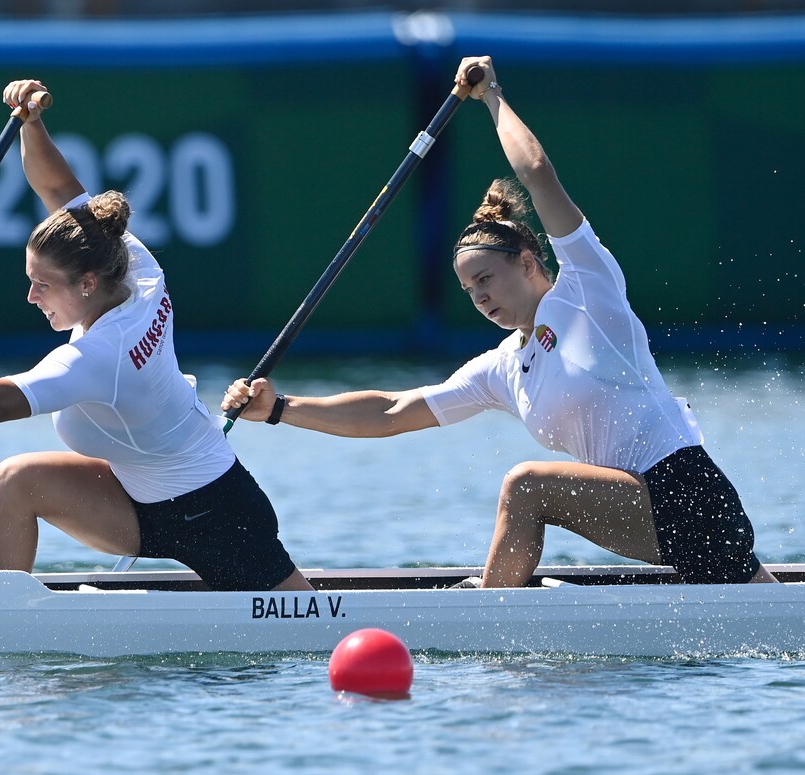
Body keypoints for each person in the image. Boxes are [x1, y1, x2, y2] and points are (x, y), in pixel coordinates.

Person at [222, 56, 777, 589]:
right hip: (649, 508)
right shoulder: (505, 367)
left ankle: (486, 619)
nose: (479, 297)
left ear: (529, 263)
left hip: (688, 491)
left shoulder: (588, 291)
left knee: (526, 485)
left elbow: (535, 173)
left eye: (486, 278)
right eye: (468, 290)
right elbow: (391, 412)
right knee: (753, 599)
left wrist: (490, 96)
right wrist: (280, 410)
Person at [0, 79, 312, 592]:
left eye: (43, 285)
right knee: (17, 480)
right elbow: (59, 191)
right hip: (141, 500)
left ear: (87, 283)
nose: (31, 297)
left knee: (310, 623)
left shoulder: (99, 356)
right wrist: (31, 124)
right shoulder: (131, 262)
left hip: (217, 514)